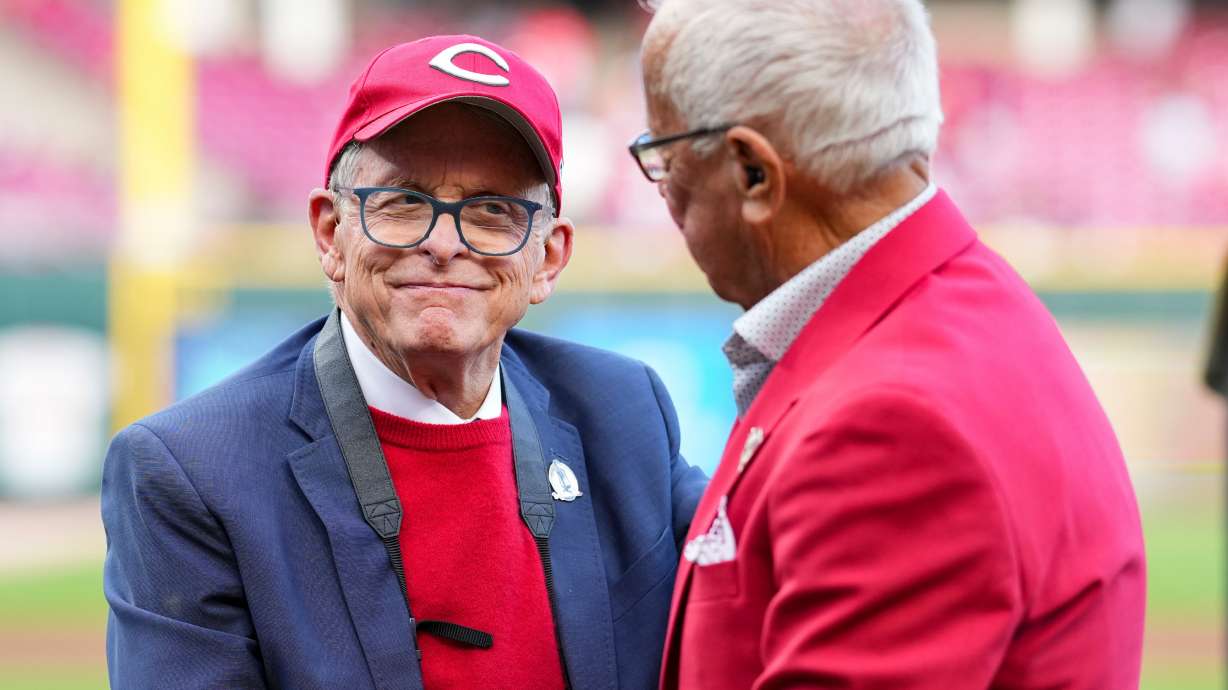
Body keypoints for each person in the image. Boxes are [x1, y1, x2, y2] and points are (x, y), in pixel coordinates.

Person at [102, 34, 707, 690]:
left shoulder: (623, 412)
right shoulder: (194, 471)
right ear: (331, 234)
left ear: (550, 257)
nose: (444, 244)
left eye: (494, 212)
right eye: (402, 204)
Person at [630, 1, 1146, 688]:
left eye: (664, 158)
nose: (665, 194)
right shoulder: (954, 308)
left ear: (752, 172)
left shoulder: (889, 423)